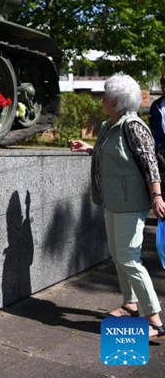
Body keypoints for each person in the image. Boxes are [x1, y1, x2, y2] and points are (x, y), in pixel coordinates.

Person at [69, 73, 165, 339]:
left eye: (106, 94)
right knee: (117, 253)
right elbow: (113, 155)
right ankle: (130, 304)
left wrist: (157, 196)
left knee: (129, 259)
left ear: (116, 100)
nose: (103, 98)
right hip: (112, 201)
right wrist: (89, 148)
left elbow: (149, 163)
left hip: (131, 203)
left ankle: (155, 320)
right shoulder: (109, 125)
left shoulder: (133, 126)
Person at [149, 73, 165, 173]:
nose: (164, 89)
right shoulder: (156, 106)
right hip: (162, 152)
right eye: (163, 86)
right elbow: (153, 129)